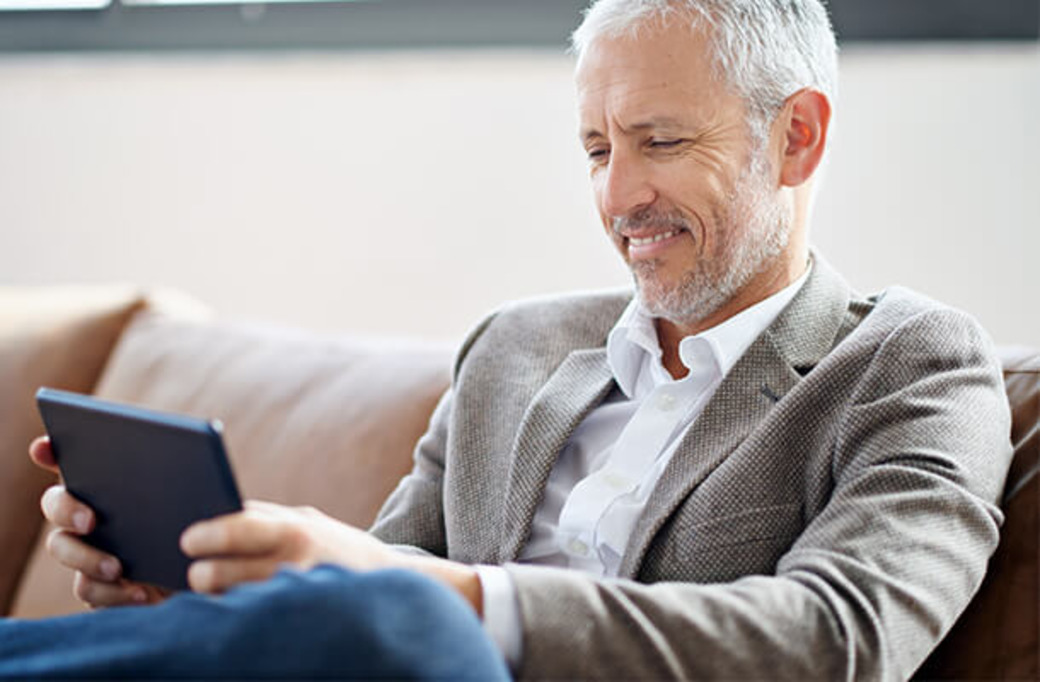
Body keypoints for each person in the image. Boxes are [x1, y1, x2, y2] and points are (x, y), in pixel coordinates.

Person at [2, 0, 1013, 679]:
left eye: (659, 141)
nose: (617, 197)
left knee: (406, 615)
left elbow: (836, 640)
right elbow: (354, 607)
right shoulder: (514, 348)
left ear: (796, 136)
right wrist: (198, 589)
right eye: (594, 148)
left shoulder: (910, 363)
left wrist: (451, 599)